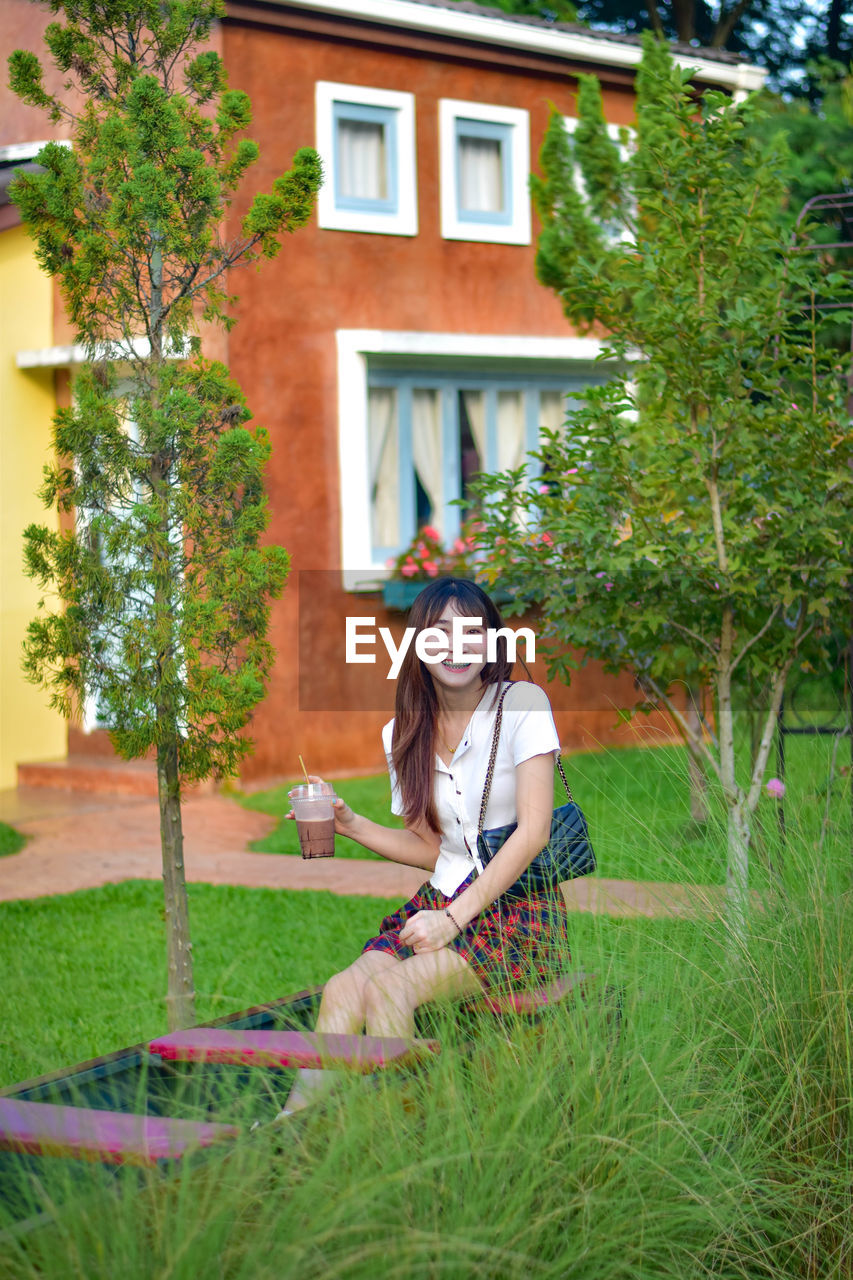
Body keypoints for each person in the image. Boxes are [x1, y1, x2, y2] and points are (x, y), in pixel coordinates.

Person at [282, 576, 570, 1115]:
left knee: (391, 991)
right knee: (343, 989)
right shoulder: (403, 733)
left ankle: (409, 1145)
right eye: (440, 633)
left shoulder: (523, 703)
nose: (456, 645)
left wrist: (454, 920)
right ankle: (294, 1132)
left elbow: (534, 833)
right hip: (438, 905)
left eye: (471, 631)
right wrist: (350, 823)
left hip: (516, 911)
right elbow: (436, 851)